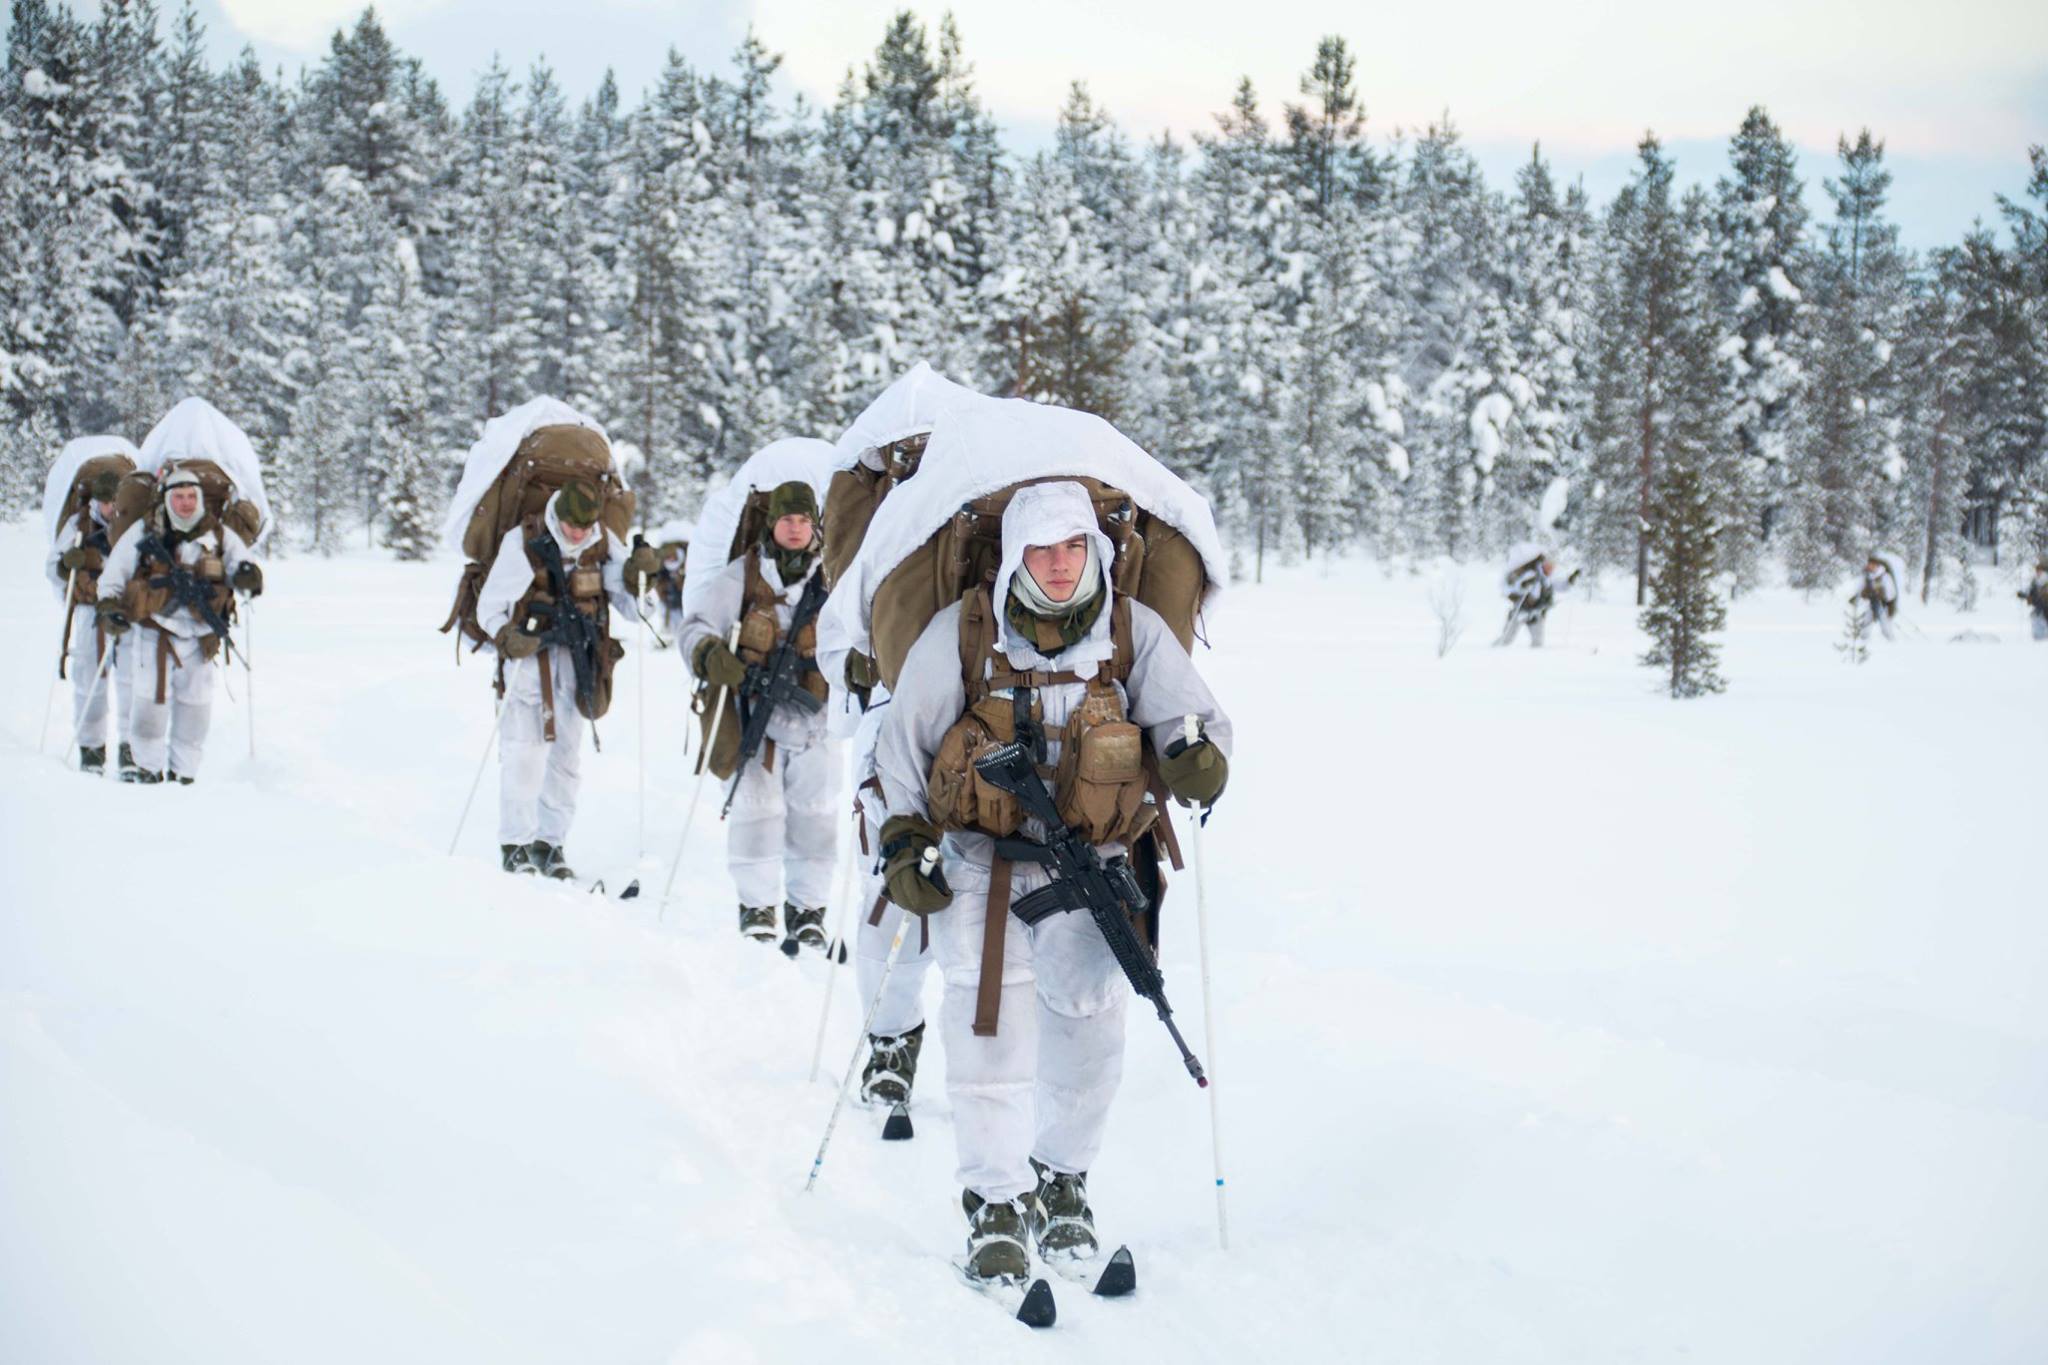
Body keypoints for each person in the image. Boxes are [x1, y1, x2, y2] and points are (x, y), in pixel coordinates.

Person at [874, 481, 1231, 1286]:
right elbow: (902, 750)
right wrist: (904, 841)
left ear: (1096, 550)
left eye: (1074, 547)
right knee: (986, 1029)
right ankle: (994, 1206)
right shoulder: (962, 634)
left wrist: (1195, 757)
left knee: (1090, 1029)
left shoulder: (1130, 634)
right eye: (1041, 549)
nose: (1060, 565)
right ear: (1014, 557)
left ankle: (1061, 1181)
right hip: (982, 861)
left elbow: (1193, 719)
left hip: (1094, 865)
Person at [680, 481, 836, 948]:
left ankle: (809, 911)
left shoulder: (834, 577)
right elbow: (695, 628)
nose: (795, 528)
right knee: (756, 814)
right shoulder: (743, 576)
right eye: (787, 519)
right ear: (773, 524)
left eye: (803, 520)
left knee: (817, 817)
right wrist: (710, 656)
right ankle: (758, 908)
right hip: (754, 717)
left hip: (817, 720)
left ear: (815, 526)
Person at [477, 478, 652, 879]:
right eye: (571, 526)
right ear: (558, 516)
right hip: (528, 660)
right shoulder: (525, 540)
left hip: (578, 660)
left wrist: (640, 579)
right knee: (524, 753)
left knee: (566, 758)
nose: (577, 534)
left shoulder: (601, 542)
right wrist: (506, 636)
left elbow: (632, 607)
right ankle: (516, 844)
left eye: (585, 527)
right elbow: (490, 606)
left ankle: (550, 845)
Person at [94, 467, 262, 784]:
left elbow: (245, 568)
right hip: (154, 633)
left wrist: (247, 576)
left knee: (195, 711)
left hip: (202, 639)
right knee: (149, 710)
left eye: (191, 496)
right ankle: (147, 774)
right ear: (167, 499)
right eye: (178, 496)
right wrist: (109, 608)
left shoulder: (221, 536)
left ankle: (184, 778)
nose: (185, 503)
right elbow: (113, 577)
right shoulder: (144, 533)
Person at [48, 469, 135, 775]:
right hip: (88, 613)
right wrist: (64, 566)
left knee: (130, 682)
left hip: (124, 613)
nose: (109, 508)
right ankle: (91, 750)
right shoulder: (78, 524)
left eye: (114, 501)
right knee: (88, 682)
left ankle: (130, 749)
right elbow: (54, 567)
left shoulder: (131, 524)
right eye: (104, 501)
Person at [1497, 548, 1578, 647]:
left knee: (1538, 642)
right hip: (1520, 611)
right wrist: (1525, 585)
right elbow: (1517, 587)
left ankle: (1534, 660)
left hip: (1536, 613)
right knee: (1506, 639)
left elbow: (1561, 587)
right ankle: (1491, 653)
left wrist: (1570, 580)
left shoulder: (1549, 578)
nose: (1551, 569)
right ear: (1543, 565)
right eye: (1548, 566)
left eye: (1552, 567)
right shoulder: (1531, 573)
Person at [1853, 553, 1902, 642]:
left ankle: (1892, 642)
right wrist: (1859, 597)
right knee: (1866, 623)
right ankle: (1862, 642)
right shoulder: (1867, 576)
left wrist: (1882, 595)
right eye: (1869, 564)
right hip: (1871, 603)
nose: (1869, 566)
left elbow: (1892, 593)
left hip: (1882, 605)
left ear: (1876, 565)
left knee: (1885, 625)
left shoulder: (1884, 576)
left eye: (1871, 564)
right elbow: (1860, 588)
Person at [2017, 560, 2048, 642]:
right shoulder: (2035, 582)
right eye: (2037, 570)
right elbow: (2029, 593)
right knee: (2035, 620)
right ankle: (2038, 640)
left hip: (2045, 609)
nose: (2038, 572)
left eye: (2040, 570)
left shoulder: (2045, 582)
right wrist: (2022, 594)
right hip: (2038, 608)